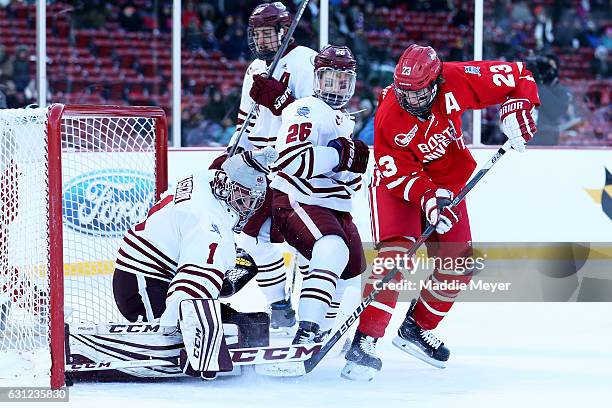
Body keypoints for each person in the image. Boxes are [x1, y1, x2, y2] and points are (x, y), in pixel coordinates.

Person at [342, 44, 540, 381]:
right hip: (399, 188)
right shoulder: (390, 113)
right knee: (395, 256)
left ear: (436, 81)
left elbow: (519, 74)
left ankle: (416, 328)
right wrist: (430, 199)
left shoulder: (457, 78)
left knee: (460, 263)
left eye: (419, 93)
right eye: (404, 92)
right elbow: (395, 172)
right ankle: (365, 340)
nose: (411, 100)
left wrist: (519, 107)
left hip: (447, 184)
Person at [224, 2, 318, 333]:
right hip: (261, 164)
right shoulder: (254, 68)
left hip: (296, 163)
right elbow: (245, 122)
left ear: (285, 31)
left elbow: (316, 118)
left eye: (268, 34)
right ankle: (280, 307)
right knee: (253, 238)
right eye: (258, 35)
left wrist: (282, 102)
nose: (262, 41)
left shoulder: (306, 61)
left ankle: (314, 313)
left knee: (305, 244)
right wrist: (232, 155)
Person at [112, 148, 277, 331]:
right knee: (211, 325)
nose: (248, 207)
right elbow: (191, 286)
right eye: (244, 198)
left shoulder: (207, 178)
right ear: (227, 186)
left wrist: (247, 160)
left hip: (153, 273)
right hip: (142, 287)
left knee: (248, 318)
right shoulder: (209, 225)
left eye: (255, 200)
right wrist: (173, 327)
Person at [270, 45, 370, 344]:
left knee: (353, 278)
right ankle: (307, 331)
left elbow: (349, 182)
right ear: (317, 78)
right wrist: (337, 156)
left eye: (343, 80)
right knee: (332, 251)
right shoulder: (306, 109)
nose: (336, 86)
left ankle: (323, 331)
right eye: (329, 78)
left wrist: (351, 169)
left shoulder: (345, 119)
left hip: (333, 206)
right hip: (298, 200)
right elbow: (289, 161)